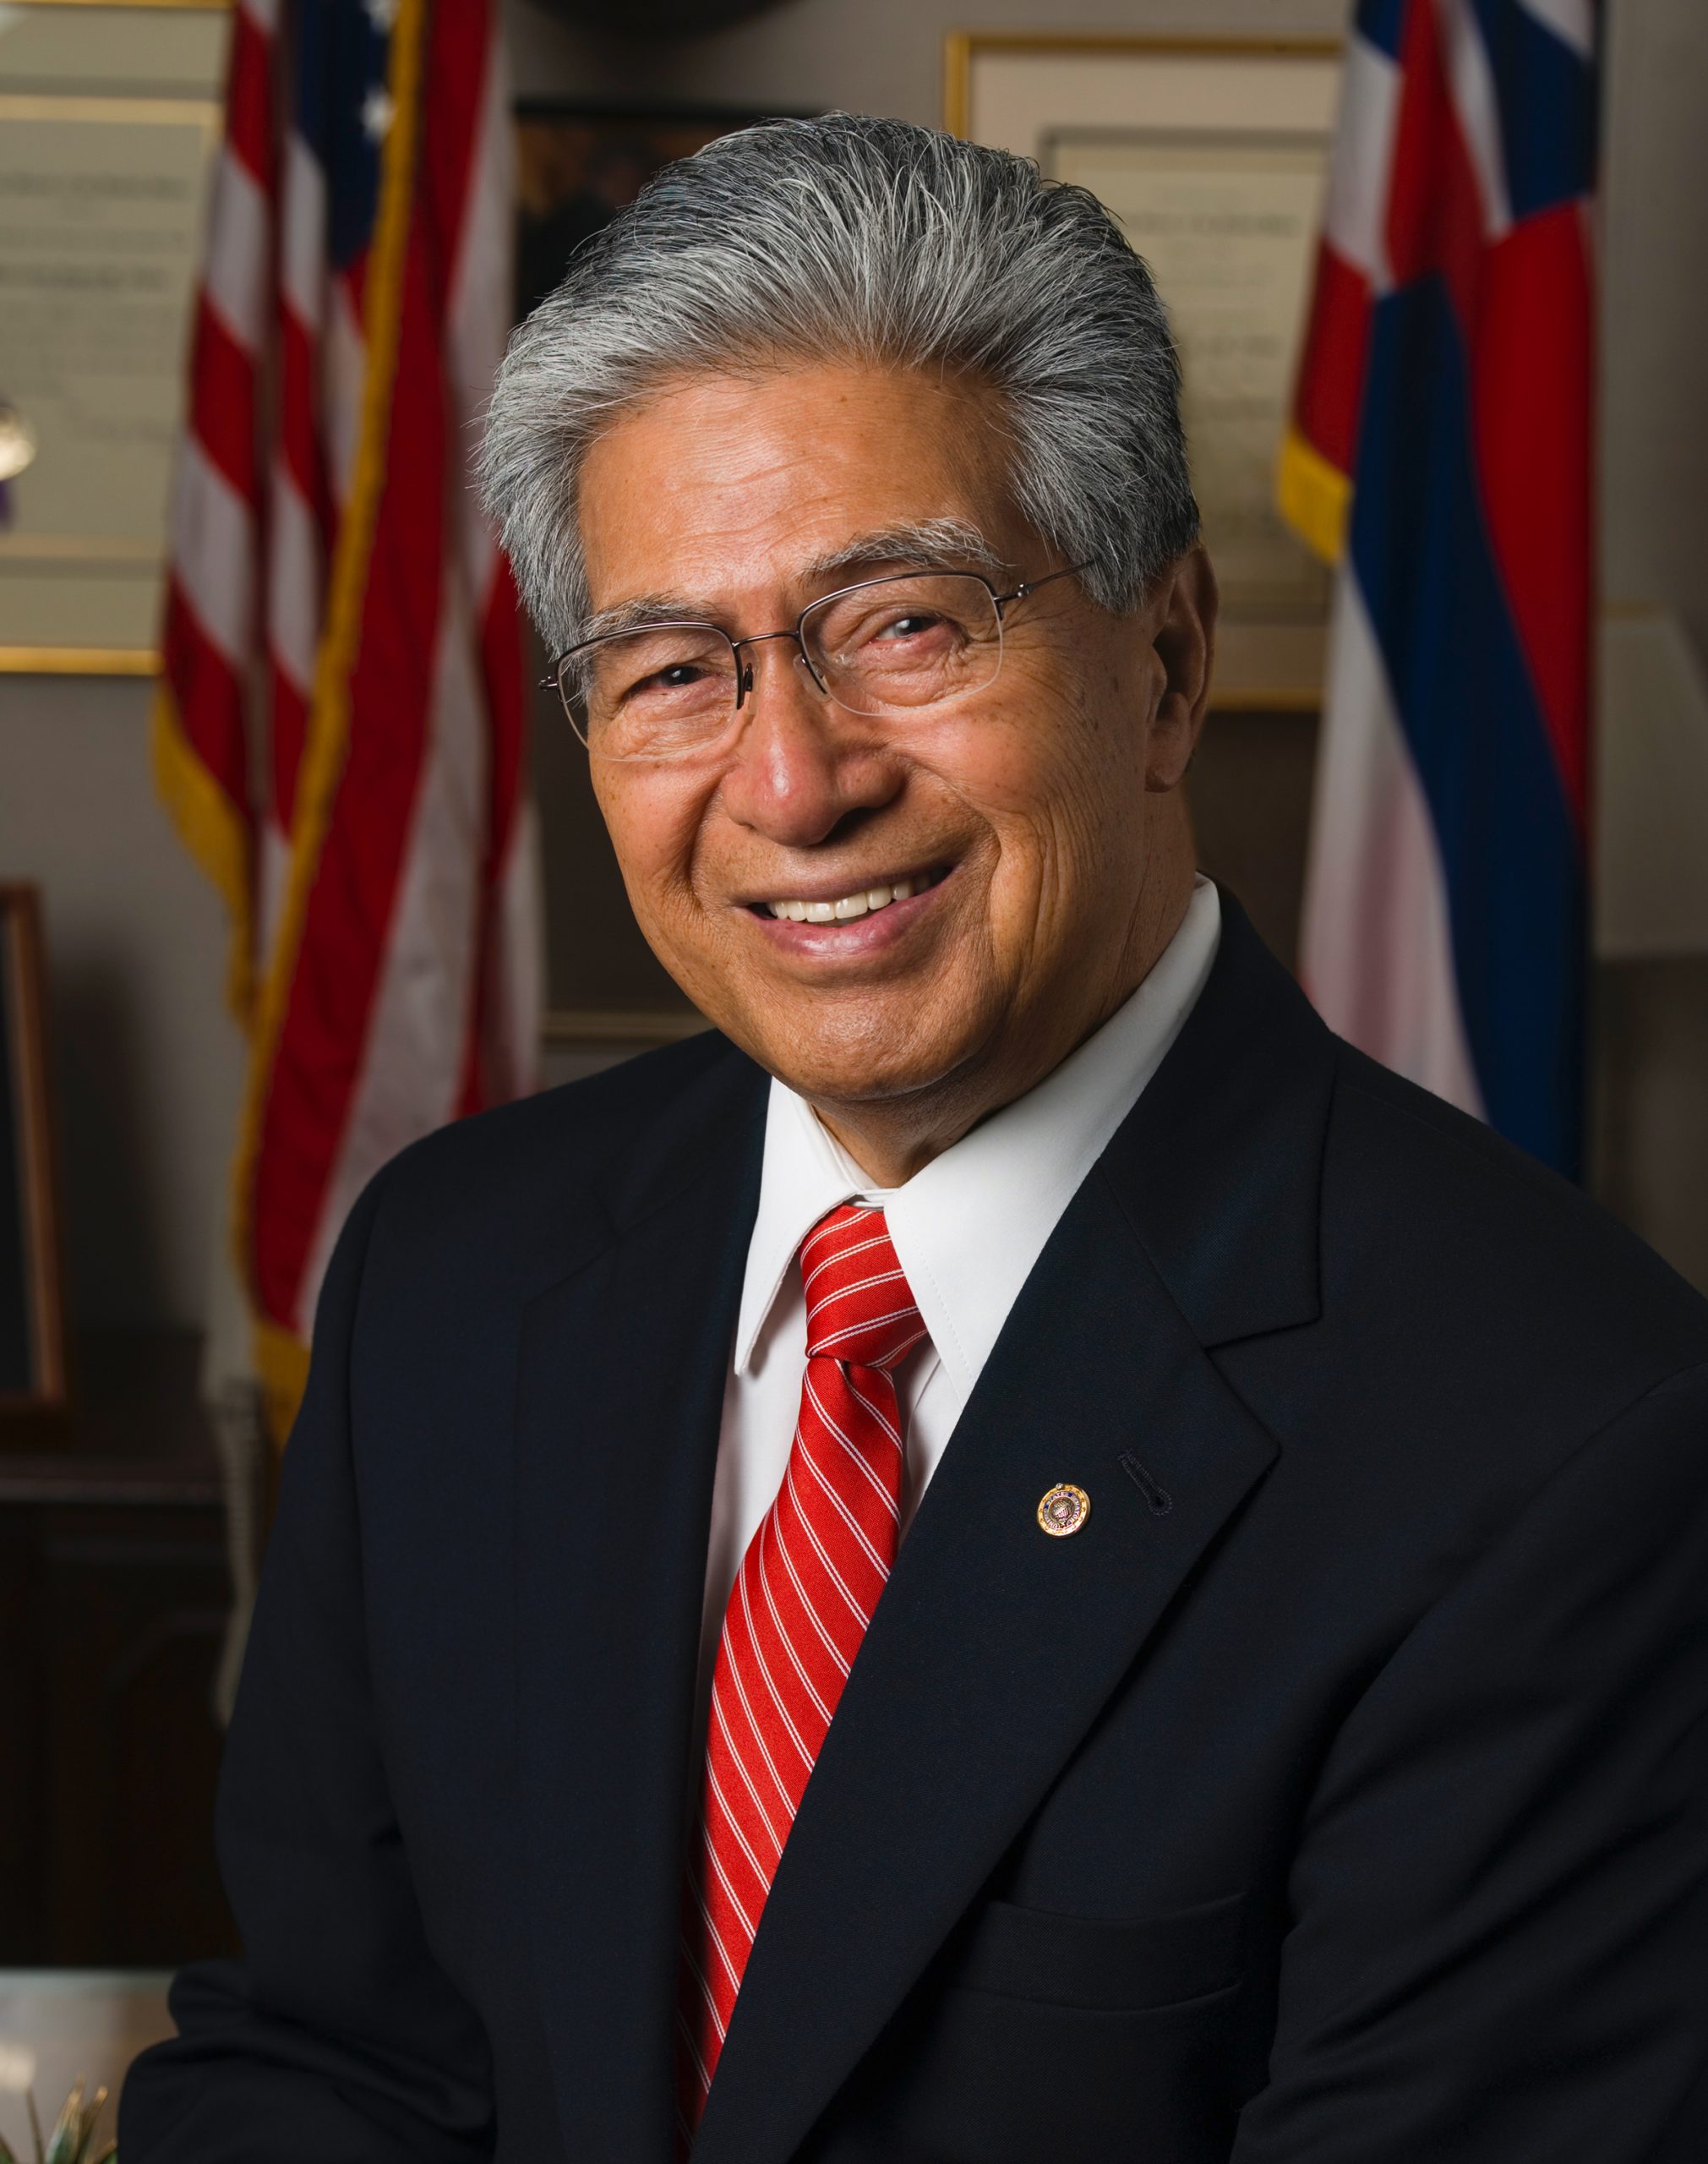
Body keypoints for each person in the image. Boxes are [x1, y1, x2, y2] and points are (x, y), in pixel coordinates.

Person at [122, 115, 1708, 2164]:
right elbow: (324, 2065)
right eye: (674, 668)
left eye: (905, 625)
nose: (791, 781)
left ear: (1165, 659)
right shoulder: (455, 1269)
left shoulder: (1568, 1440)